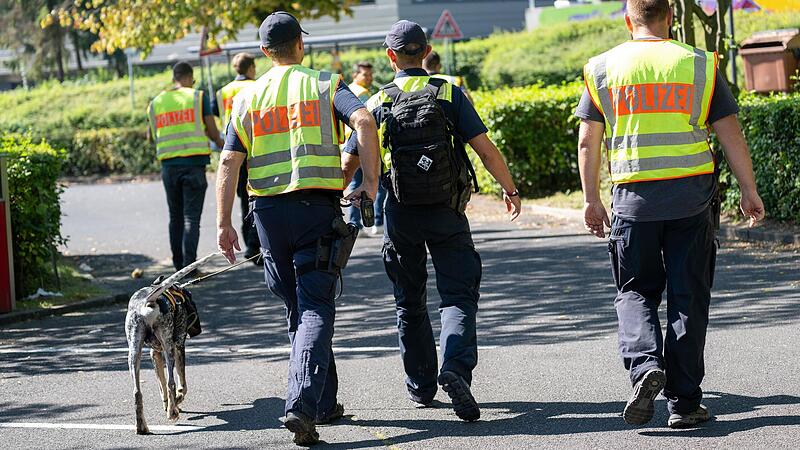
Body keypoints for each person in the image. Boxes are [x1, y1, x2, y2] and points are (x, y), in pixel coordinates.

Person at [576, 0, 765, 429]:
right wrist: (749, 190)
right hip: (692, 200)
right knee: (688, 297)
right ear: (671, 18)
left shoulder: (603, 67)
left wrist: (591, 199)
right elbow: (729, 132)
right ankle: (684, 403)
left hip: (633, 200)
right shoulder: (699, 64)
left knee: (635, 290)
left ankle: (645, 369)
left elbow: (589, 140)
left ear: (628, 21)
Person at [214, 11, 380, 446]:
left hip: (266, 216)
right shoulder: (325, 83)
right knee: (315, 307)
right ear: (301, 45)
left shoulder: (246, 98)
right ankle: (302, 406)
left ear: (266, 52)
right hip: (314, 211)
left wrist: (224, 224)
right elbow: (363, 121)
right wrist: (370, 183)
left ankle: (323, 403)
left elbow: (229, 161)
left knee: (299, 307)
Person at [343, 20, 522, 422]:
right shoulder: (447, 93)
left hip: (400, 212)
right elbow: (485, 149)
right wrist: (510, 189)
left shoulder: (375, 103)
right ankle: (455, 369)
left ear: (391, 57)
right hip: (447, 209)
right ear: (426, 52)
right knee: (458, 295)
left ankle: (421, 386)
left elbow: (349, 162)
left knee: (409, 302)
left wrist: (328, 199)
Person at [147, 61, 224, 272]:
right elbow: (213, 133)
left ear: (174, 78)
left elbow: (152, 136)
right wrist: (225, 146)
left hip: (169, 167)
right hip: (194, 166)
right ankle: (189, 266)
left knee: (175, 217)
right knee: (191, 217)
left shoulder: (156, 102)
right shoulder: (197, 97)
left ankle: (177, 264)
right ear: (190, 77)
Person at [215, 52, 261, 263]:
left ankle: (248, 242)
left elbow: (218, 115)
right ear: (251, 68)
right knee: (256, 195)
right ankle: (255, 242)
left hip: (233, 147)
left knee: (243, 198)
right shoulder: (258, 85)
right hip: (256, 148)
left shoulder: (223, 91)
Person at [345, 61, 387, 235]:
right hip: (364, 145)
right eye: (365, 74)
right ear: (355, 75)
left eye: (370, 75)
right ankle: (377, 221)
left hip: (350, 146)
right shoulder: (362, 94)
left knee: (356, 183)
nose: (369, 78)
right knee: (376, 182)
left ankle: (356, 224)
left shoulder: (346, 91)